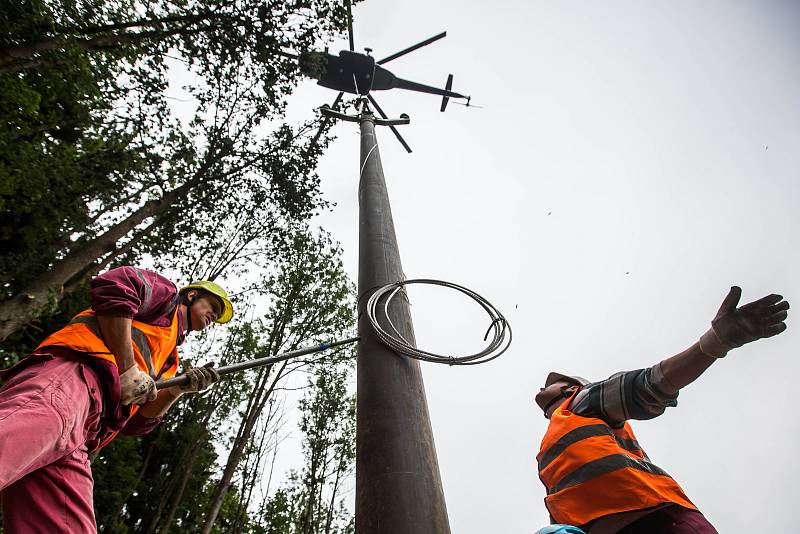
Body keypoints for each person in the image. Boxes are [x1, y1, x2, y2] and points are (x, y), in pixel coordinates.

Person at [534, 286, 789, 533]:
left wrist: (714, 342)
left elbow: (649, 386)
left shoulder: (582, 402)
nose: (543, 386)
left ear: (571, 388)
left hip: (656, 521)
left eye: (552, 383)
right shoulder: (554, 440)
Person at [0, 266, 234, 533]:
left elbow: (136, 424)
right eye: (213, 305)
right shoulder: (166, 300)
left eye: (217, 316)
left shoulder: (169, 361)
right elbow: (118, 284)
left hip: (83, 438)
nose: (214, 316)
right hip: (72, 381)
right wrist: (127, 368)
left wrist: (180, 389)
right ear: (192, 296)